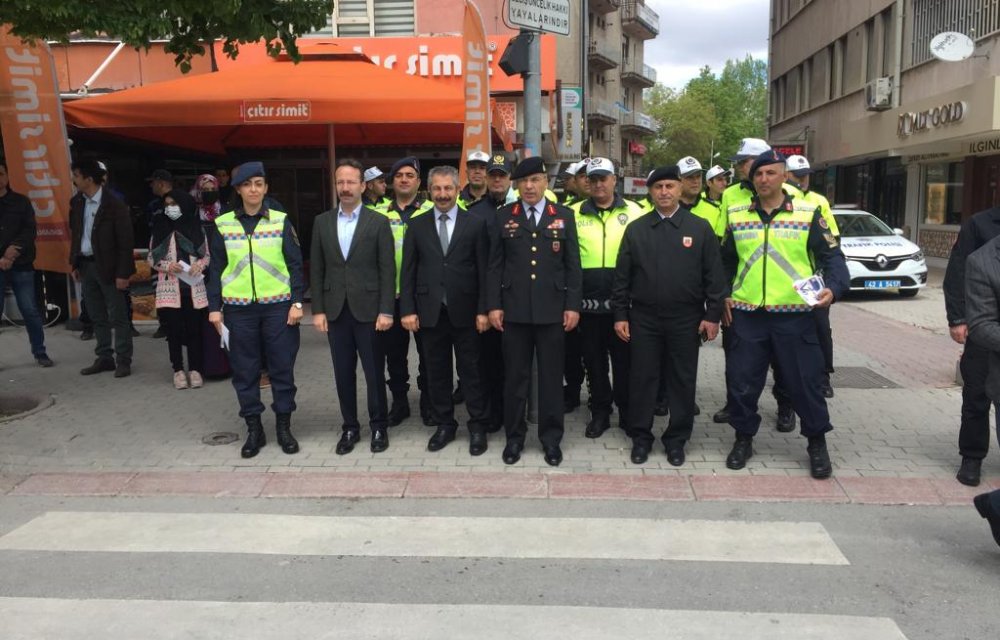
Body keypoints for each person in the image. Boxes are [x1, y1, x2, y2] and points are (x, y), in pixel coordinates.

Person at [719, 151, 849, 479]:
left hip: (794, 315)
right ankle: (743, 438)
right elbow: (724, 263)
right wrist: (721, 295)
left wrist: (833, 288)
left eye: (771, 173)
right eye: (758, 174)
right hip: (748, 314)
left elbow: (834, 258)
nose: (763, 179)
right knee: (742, 383)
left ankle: (816, 443)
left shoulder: (809, 212)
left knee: (805, 383)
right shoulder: (736, 214)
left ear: (785, 176)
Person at [612, 165, 726, 466]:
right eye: (658, 187)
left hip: (686, 319)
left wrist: (712, 315)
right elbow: (622, 277)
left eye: (670, 186)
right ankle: (641, 437)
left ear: (680, 189)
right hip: (644, 319)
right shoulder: (636, 229)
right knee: (643, 379)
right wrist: (620, 314)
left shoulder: (699, 228)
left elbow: (714, 277)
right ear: (650, 192)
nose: (664, 192)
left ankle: (677, 440)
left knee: (682, 381)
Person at [206, 161, 305, 459]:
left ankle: (284, 428)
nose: (254, 189)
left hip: (278, 307)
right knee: (245, 371)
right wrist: (214, 308)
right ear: (238, 189)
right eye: (248, 184)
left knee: (281, 368)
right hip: (238, 310)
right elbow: (216, 270)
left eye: (259, 184)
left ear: (265, 188)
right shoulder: (223, 224)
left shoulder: (280, 220)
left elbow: (295, 264)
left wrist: (297, 302)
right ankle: (254, 429)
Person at [487, 156, 582, 466]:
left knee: (552, 380)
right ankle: (514, 440)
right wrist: (494, 305)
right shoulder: (504, 217)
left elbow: (572, 267)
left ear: (545, 182)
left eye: (535, 180)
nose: (529, 186)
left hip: (553, 312)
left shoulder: (564, 216)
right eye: (524, 181)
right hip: (513, 313)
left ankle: (551, 440)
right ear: (517, 184)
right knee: (515, 380)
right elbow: (495, 267)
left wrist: (572, 306)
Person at [400, 165, 492, 455]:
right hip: (430, 312)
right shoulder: (416, 224)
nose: (442, 194)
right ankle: (445, 425)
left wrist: (483, 310)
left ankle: (477, 425)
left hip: (466, 311)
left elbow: (484, 271)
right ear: (430, 190)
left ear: (456, 189)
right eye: (437, 189)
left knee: (473, 371)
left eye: (448, 188)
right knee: (436, 372)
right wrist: (408, 310)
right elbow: (409, 272)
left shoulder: (475, 223)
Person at [311, 159, 396, 455]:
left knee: (374, 373)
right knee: (343, 373)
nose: (345, 188)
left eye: (351, 182)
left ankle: (378, 427)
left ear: (363, 186)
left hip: (370, 312)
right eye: (340, 182)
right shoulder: (321, 222)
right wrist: (318, 311)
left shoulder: (378, 222)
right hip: (336, 312)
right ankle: (350, 427)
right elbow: (318, 270)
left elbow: (388, 270)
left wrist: (387, 310)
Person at [713, 137, 796, 433]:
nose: (745, 168)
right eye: (744, 163)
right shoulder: (731, 195)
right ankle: (736, 411)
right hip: (744, 300)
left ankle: (786, 406)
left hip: (786, 301)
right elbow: (725, 242)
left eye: (749, 161)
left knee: (785, 364)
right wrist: (723, 292)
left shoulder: (794, 196)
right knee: (738, 362)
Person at [570, 157, 645, 438]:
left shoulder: (637, 212)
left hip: (624, 307)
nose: (599, 184)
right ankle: (600, 411)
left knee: (626, 364)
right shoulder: (572, 213)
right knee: (594, 364)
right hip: (587, 308)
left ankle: (627, 411)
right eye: (593, 179)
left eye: (604, 178)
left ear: (615, 180)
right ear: (586, 183)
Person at [375, 156, 434, 426]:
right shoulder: (377, 215)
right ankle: (399, 403)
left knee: (429, 354)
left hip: (424, 297)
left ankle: (428, 402)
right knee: (394, 356)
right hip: (391, 297)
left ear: (419, 181)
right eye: (399, 175)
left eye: (410, 175)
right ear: (391, 182)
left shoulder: (432, 210)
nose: (404, 179)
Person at [69, 158, 135, 378]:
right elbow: (76, 235)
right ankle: (104, 356)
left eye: (77, 175)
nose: (74, 179)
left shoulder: (114, 204)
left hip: (109, 266)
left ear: (89, 179)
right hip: (86, 264)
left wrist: (123, 273)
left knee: (118, 315)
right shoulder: (77, 202)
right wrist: (75, 262)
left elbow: (126, 242)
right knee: (96, 314)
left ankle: (123, 359)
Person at [785, 154, 839, 398]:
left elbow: (831, 238)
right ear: (786, 175)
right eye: (797, 175)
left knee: (820, 328)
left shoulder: (819, 201)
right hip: (787, 279)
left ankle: (824, 376)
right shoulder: (783, 199)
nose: (803, 179)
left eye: (805, 174)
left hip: (814, 278)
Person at [468, 154, 514, 432]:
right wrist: (483, 307)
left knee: (515, 366)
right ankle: (490, 415)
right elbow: (474, 264)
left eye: (502, 175)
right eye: (492, 174)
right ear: (486, 178)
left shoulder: (521, 209)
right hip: (485, 301)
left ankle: (513, 414)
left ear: (510, 178)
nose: (497, 179)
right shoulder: (474, 212)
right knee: (486, 364)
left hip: (517, 301)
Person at [149, 189, 209, 389]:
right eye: (167, 205)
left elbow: (206, 255)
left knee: (194, 330)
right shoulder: (160, 227)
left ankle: (195, 369)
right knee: (173, 332)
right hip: (170, 288)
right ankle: (178, 370)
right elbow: (151, 258)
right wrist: (167, 266)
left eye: (174, 204)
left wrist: (199, 265)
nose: (170, 208)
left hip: (193, 287)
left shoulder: (195, 227)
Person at [0, 159, 53, 367]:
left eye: (1, 173)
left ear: (7, 176)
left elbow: (29, 229)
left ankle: (40, 352)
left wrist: (12, 252)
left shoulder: (21, 202)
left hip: (21, 262)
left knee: (29, 309)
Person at [957, 229, 1000, 486]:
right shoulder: (983, 261)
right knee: (975, 398)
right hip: (992, 361)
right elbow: (982, 325)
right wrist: (956, 318)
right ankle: (972, 457)